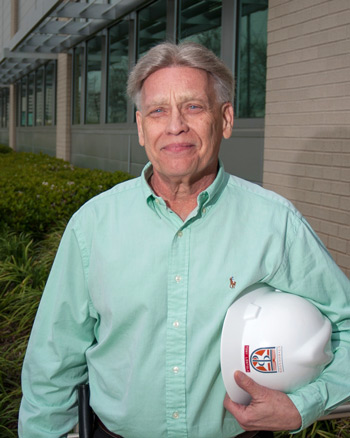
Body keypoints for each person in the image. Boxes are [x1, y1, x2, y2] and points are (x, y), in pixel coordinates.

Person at [19, 42, 350, 438]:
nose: (175, 125)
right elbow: (52, 360)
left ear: (225, 120)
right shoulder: (93, 225)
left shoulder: (275, 223)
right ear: (142, 128)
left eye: (193, 107)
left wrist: (303, 405)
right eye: (159, 111)